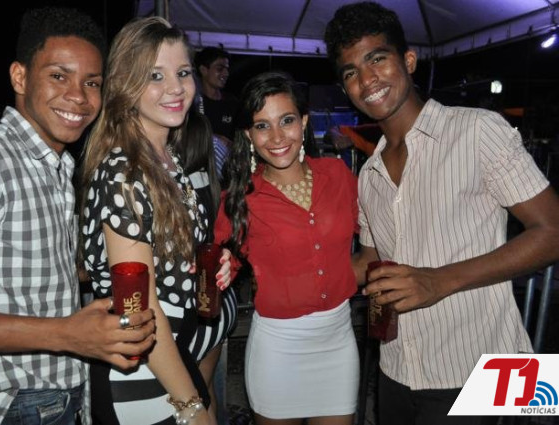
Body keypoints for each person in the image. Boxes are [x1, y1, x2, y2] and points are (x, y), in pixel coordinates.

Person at [0, 7, 157, 425]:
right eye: (59, 76)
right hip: (9, 405)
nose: (79, 96)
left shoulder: (53, 164)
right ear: (20, 77)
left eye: (92, 83)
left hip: (55, 396)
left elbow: (20, 271)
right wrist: (66, 334)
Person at [324, 2, 559, 425]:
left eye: (377, 58)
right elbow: (372, 260)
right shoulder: (369, 174)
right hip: (396, 366)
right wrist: (297, 273)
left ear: (409, 60)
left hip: (483, 367)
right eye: (351, 72)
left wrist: (439, 280)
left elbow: (553, 231)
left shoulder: (478, 130)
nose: (367, 79)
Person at [80, 17, 233, 425]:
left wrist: (207, 263)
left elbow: (170, 261)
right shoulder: (124, 171)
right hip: (142, 367)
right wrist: (191, 406)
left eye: (182, 72)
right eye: (155, 75)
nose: (176, 88)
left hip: (174, 354)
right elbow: (142, 303)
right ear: (125, 85)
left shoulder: (169, 159)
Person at [214, 71, 360, 425]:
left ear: (304, 122)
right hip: (278, 351)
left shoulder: (337, 175)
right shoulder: (239, 199)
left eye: (287, 121)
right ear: (248, 135)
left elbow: (376, 233)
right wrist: (217, 267)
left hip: (339, 342)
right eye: (262, 126)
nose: (277, 137)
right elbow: (220, 264)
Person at [174, 108, 238, 425]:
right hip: (221, 302)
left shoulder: (180, 189)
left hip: (200, 304)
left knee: (190, 400)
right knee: (205, 391)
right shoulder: (211, 182)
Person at [193, 47, 240, 180]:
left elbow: (241, 136)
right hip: (201, 171)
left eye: (227, 69)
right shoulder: (193, 103)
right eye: (220, 68)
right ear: (203, 70)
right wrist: (214, 138)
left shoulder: (232, 102)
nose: (226, 73)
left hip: (229, 171)